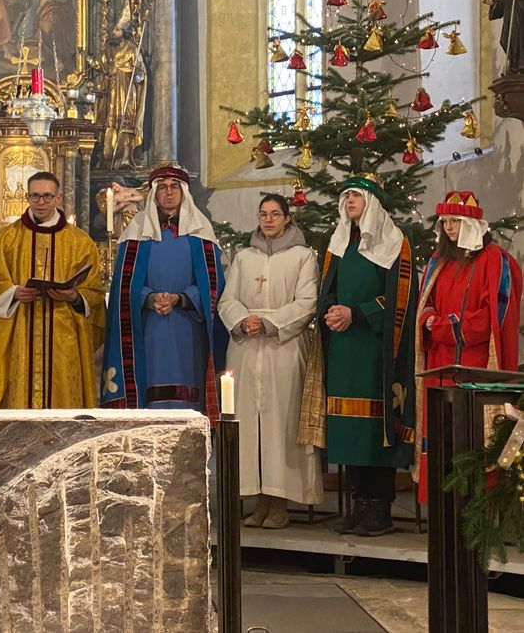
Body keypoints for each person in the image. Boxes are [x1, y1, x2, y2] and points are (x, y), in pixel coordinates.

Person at [307, 173, 417, 537]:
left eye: (355, 195)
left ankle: (379, 507)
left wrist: (358, 313)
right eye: (346, 196)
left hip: (374, 349)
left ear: (372, 202)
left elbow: (400, 300)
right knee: (348, 429)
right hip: (343, 347)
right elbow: (328, 289)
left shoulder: (395, 243)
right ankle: (359, 501)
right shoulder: (339, 243)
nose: (349, 201)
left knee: (374, 428)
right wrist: (333, 309)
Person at [218, 194, 323, 529]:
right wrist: (241, 320)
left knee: (281, 424)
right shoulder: (244, 257)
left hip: (284, 347)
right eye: (263, 214)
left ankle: (279, 503)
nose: (268, 220)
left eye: (275, 214)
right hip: (247, 348)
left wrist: (269, 322)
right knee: (248, 425)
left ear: (287, 218)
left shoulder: (303, 257)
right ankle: (257, 501)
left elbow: (307, 301)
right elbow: (227, 298)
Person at [413, 191, 522, 503]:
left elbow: (493, 317)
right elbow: (426, 305)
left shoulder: (495, 260)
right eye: (445, 221)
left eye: (455, 220)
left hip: (476, 364)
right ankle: (443, 503)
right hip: (440, 363)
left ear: (472, 223)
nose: (448, 227)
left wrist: (447, 327)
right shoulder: (438, 261)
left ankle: (479, 504)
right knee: (442, 435)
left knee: (475, 437)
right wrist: (431, 320)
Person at [101, 164, 228, 420]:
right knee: (149, 404)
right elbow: (123, 287)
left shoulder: (200, 233)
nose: (168, 193)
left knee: (188, 401)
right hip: (148, 329)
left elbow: (213, 287)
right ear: (154, 194)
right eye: (162, 188)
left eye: (174, 187)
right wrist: (149, 298)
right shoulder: (136, 232)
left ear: (183, 192)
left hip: (188, 330)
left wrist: (181, 298)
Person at [0, 171, 104, 409]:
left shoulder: (80, 242)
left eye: (47, 196)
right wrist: (12, 293)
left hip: (64, 335)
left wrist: (75, 296)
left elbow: (95, 291)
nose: (41, 202)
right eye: (35, 196)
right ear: (27, 196)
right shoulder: (7, 238)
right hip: (18, 332)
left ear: (58, 197)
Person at [97, 17, 147, 169]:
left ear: (124, 32)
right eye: (113, 29)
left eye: (117, 30)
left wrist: (138, 75)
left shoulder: (132, 48)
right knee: (109, 123)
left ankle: (125, 157)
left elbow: (141, 72)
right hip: (111, 91)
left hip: (126, 91)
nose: (114, 32)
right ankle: (108, 157)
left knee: (125, 123)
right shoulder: (108, 48)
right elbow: (101, 63)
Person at [482, 0, 524, 73]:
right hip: (510, 19)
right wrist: (491, 3)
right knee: (508, 40)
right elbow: (505, 5)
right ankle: (514, 65)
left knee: (519, 40)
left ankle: (520, 64)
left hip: (519, 18)